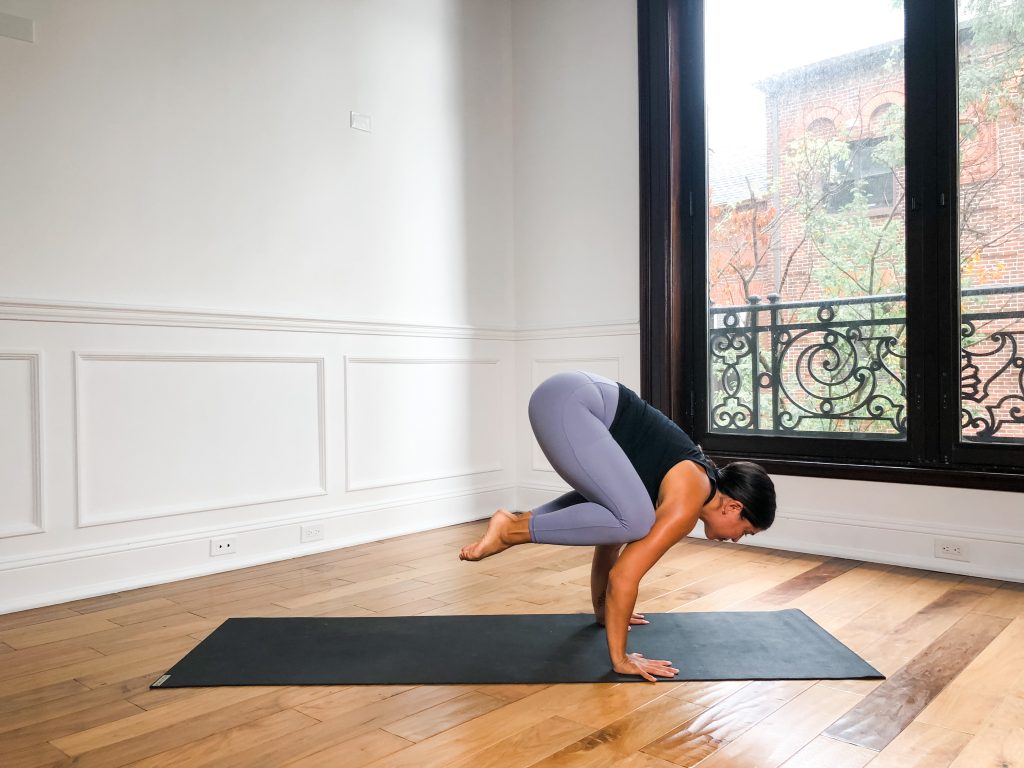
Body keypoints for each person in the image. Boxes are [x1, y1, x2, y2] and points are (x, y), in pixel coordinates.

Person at [459, 370, 776, 682]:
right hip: (570, 403)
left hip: (567, 395)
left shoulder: (691, 476)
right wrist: (620, 658)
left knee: (626, 518)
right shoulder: (686, 504)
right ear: (734, 507)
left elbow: (609, 539)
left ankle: (513, 526)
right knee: (636, 520)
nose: (737, 540)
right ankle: (511, 528)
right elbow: (625, 575)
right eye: (745, 531)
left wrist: (602, 612)